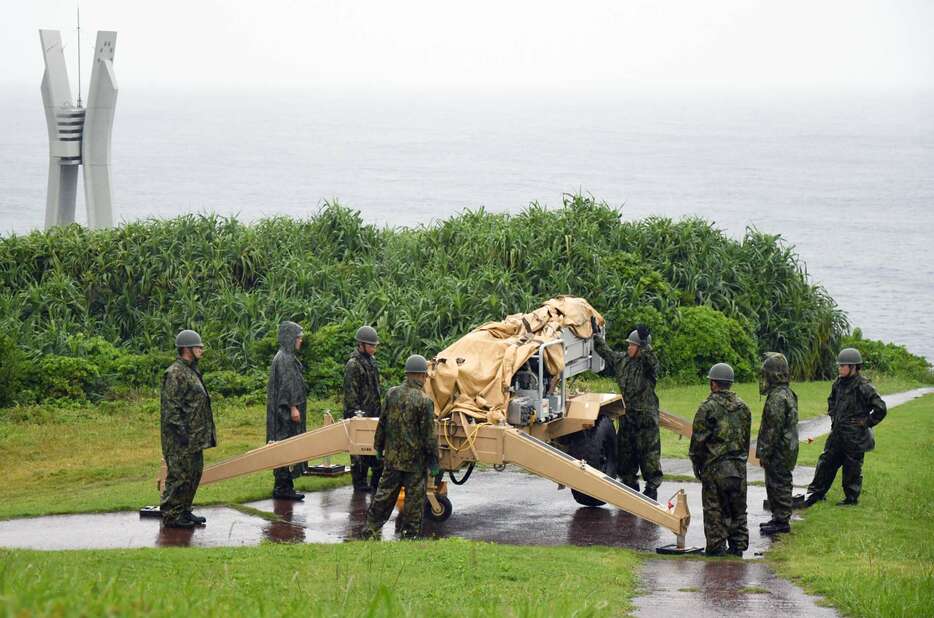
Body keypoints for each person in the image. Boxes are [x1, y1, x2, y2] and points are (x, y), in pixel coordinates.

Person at [364, 354, 439, 539]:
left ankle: (370, 529)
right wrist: (434, 461)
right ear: (421, 376)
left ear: (407, 374)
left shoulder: (392, 394)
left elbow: (382, 423)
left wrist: (378, 447)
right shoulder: (425, 401)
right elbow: (429, 436)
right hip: (415, 463)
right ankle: (409, 536)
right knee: (414, 502)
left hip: (392, 460)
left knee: (383, 496)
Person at [804, 348, 886, 507]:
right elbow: (831, 400)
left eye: (843, 366)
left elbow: (881, 408)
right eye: (839, 366)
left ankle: (851, 499)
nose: (840, 368)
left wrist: (866, 422)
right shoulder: (838, 383)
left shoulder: (864, 387)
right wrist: (834, 416)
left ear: (853, 367)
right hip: (837, 434)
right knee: (826, 462)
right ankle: (817, 493)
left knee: (852, 468)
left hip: (855, 438)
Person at [591, 320, 663, 500]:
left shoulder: (647, 366)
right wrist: (596, 336)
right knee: (625, 453)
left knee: (649, 455)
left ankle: (652, 489)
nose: (629, 347)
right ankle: (630, 485)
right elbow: (606, 353)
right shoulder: (623, 360)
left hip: (645, 419)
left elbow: (652, 363)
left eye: (633, 345)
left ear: (640, 348)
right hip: (627, 416)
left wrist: (645, 344)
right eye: (629, 345)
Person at [689, 362, 751, 556]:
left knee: (714, 510)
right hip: (738, 467)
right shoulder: (744, 408)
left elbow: (698, 442)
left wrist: (697, 465)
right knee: (738, 509)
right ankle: (738, 545)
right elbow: (746, 439)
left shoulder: (707, 408)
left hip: (714, 467)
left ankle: (716, 548)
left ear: (713, 383)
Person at [160, 329, 216, 528]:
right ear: (186, 349)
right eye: (198, 346)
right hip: (179, 439)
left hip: (194, 438)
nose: (202, 349)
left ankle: (184, 511)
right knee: (179, 476)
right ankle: (171, 516)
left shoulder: (191, 370)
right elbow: (171, 409)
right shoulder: (175, 373)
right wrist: (182, 434)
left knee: (193, 474)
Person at [756, 353, 799, 535]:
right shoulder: (787, 393)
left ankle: (781, 521)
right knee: (779, 482)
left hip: (779, 450)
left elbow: (772, 429)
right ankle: (778, 518)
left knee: (778, 483)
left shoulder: (777, 398)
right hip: (787, 447)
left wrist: (764, 452)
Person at [266, 320, 308, 501]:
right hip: (284, 414)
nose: (300, 341)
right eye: (298, 338)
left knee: (289, 446)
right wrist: (293, 407)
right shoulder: (283, 358)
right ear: (290, 338)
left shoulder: (288, 357)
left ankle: (285, 486)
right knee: (284, 445)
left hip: (287, 411)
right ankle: (282, 487)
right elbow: (286, 386)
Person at [343, 325, 383, 492]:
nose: (374, 348)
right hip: (359, 414)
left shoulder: (371, 362)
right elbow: (351, 393)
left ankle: (374, 483)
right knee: (359, 454)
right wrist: (357, 414)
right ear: (361, 345)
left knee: (376, 453)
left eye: (374, 345)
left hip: (373, 413)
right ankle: (359, 486)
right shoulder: (353, 364)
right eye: (371, 345)